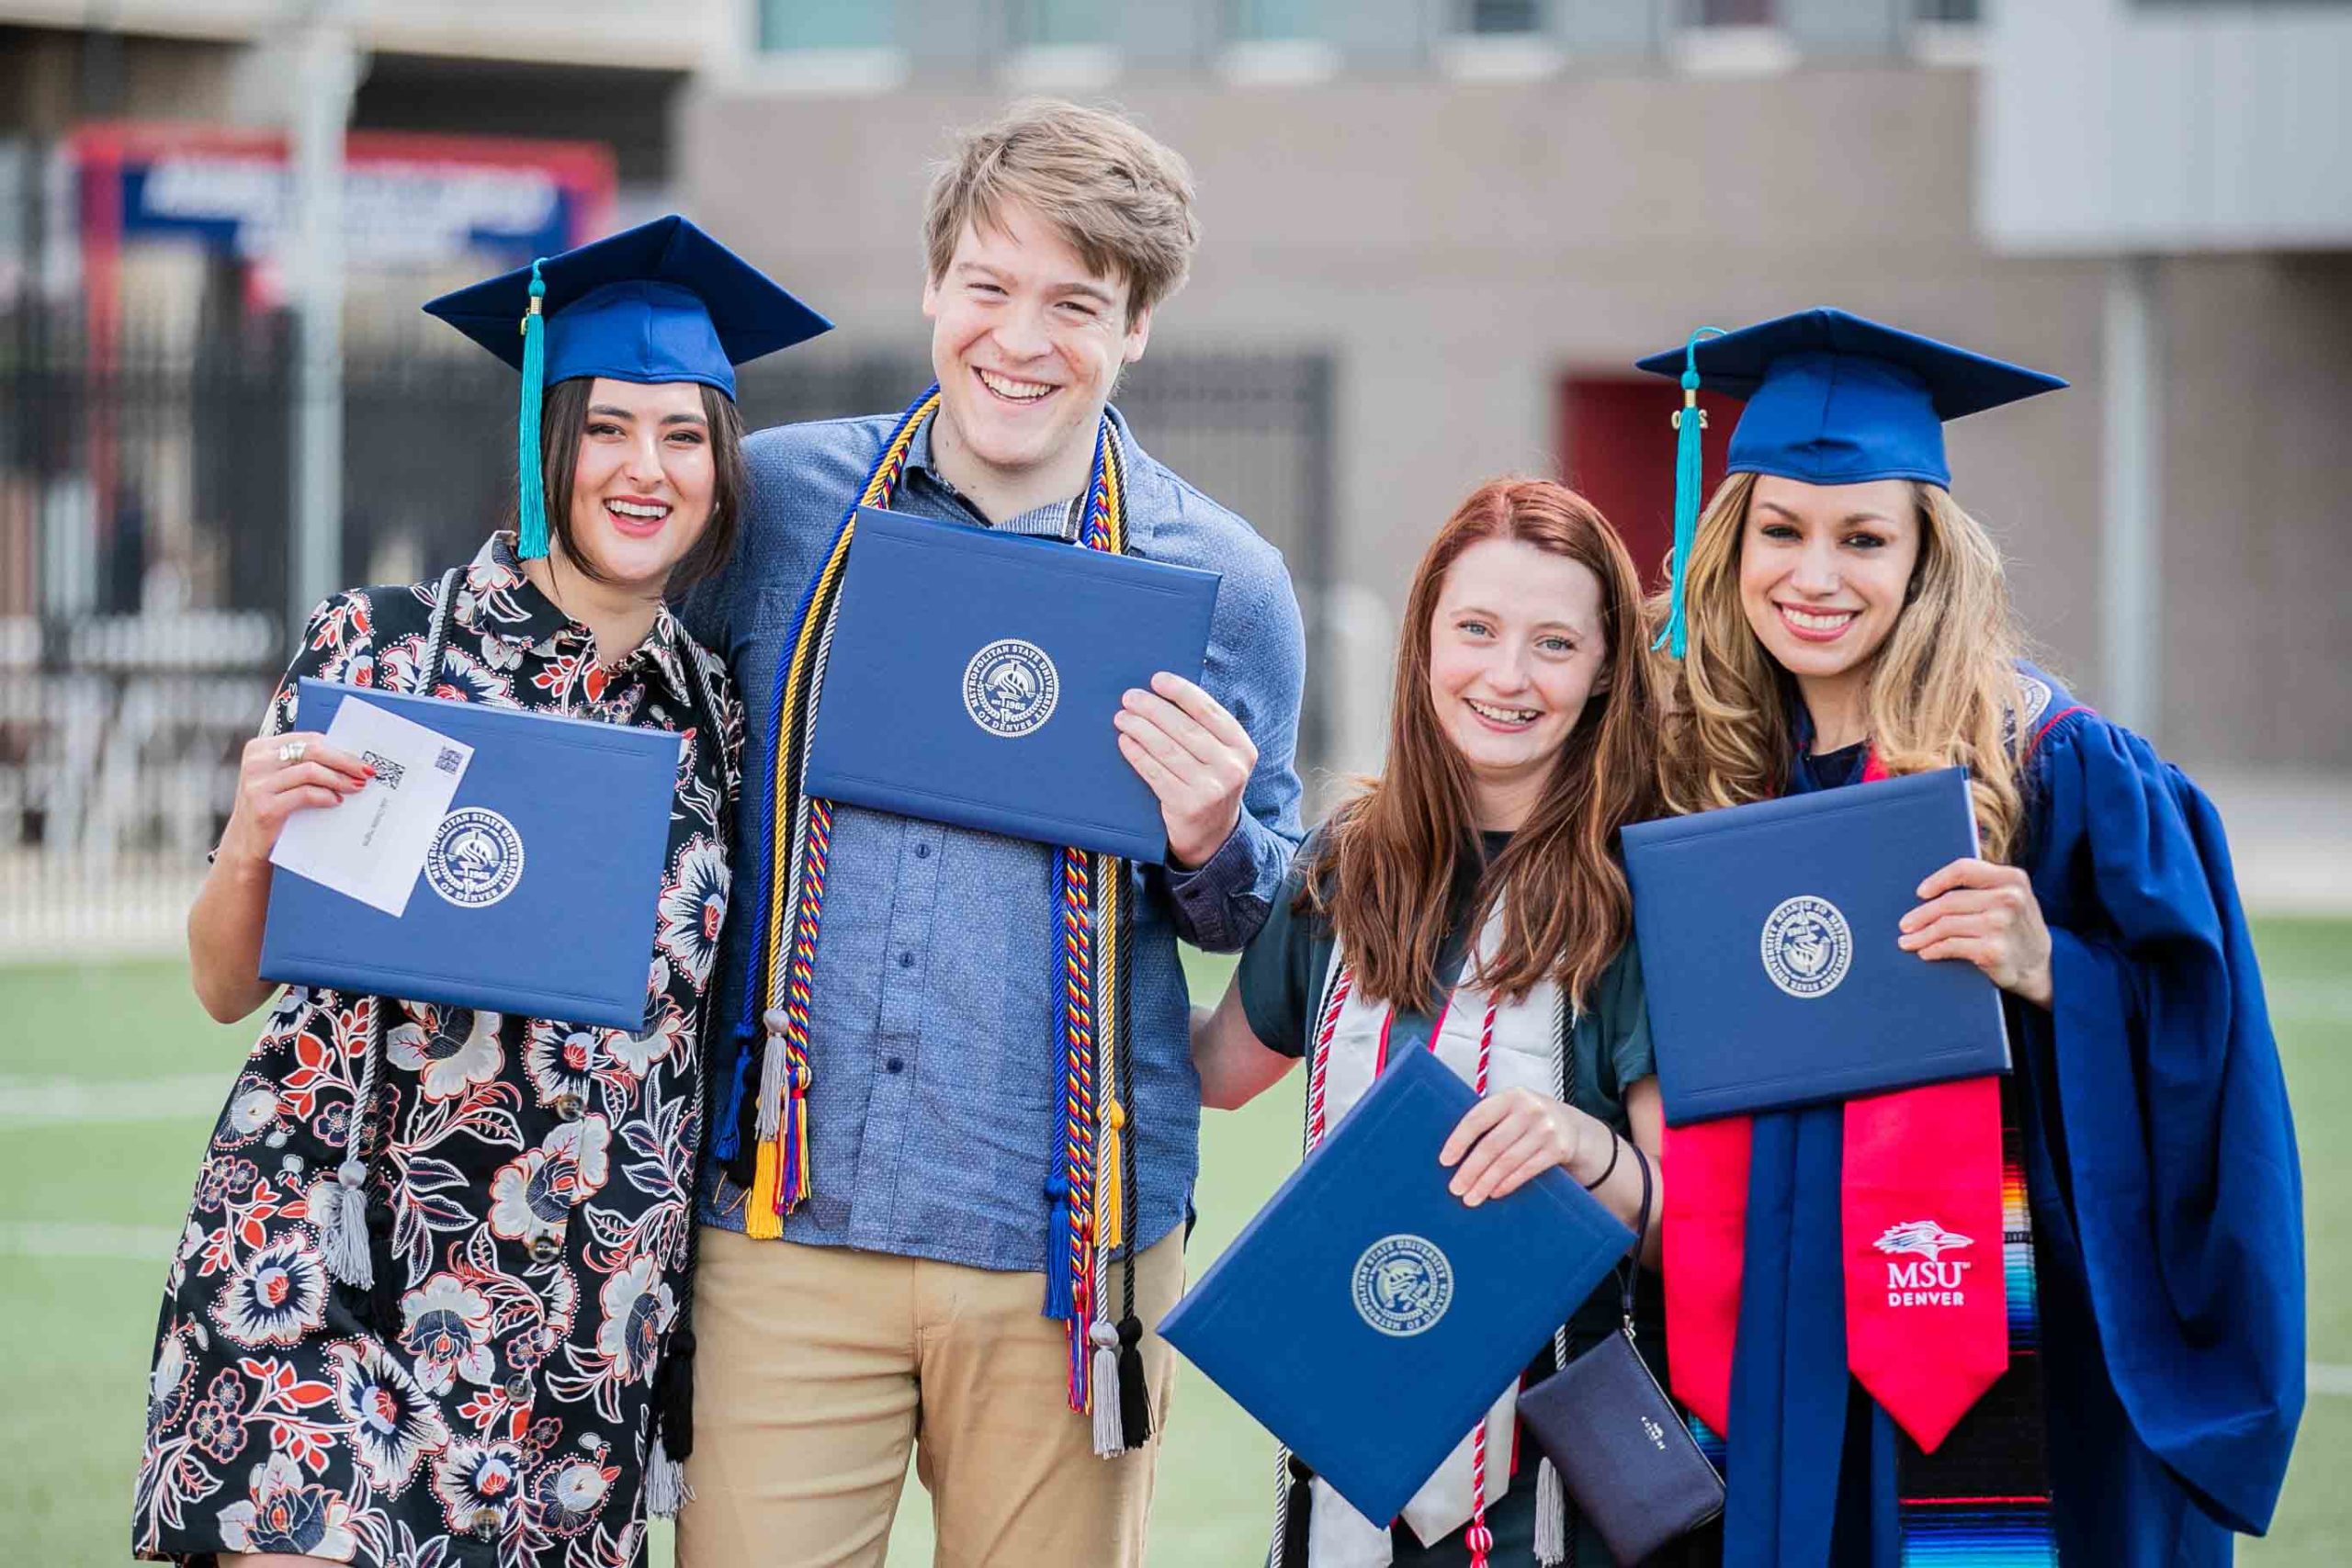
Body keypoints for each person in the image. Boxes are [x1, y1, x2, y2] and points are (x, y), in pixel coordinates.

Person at [132, 215, 826, 1566]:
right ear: (548, 444)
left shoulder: (716, 723)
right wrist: (249, 832)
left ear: (722, 467)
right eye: (609, 428)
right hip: (342, 1274)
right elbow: (228, 983)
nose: (646, 468)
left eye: (683, 435)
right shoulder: (393, 654)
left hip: (584, 1323)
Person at [673, 100, 1306, 1568]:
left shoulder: (1224, 581)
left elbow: (1257, 923)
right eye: (989, 286)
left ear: (1135, 326)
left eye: (1074, 304)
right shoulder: (775, 503)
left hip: (1068, 1261)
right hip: (785, 1221)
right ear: (934, 289)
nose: (1020, 338)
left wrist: (1213, 835)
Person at [1638, 308, 2303, 1565]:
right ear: (1728, 544)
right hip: (1768, 1320)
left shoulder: (2057, 765)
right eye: (1780, 530)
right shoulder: (1698, 763)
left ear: (1928, 554)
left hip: (1994, 1320)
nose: (1815, 574)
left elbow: (2210, 1051)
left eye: (1864, 537)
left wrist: (2056, 968)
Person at [1191, 479, 1683, 1568]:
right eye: (1476, 630)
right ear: (1422, 643)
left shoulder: (1639, 891)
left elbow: (1687, 1215)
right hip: (1349, 1444)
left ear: (1605, 672)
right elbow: (1221, 1070)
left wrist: (1579, 1142)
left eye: (1555, 644)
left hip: (1552, 1485)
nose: (1506, 677)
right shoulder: (1347, 866)